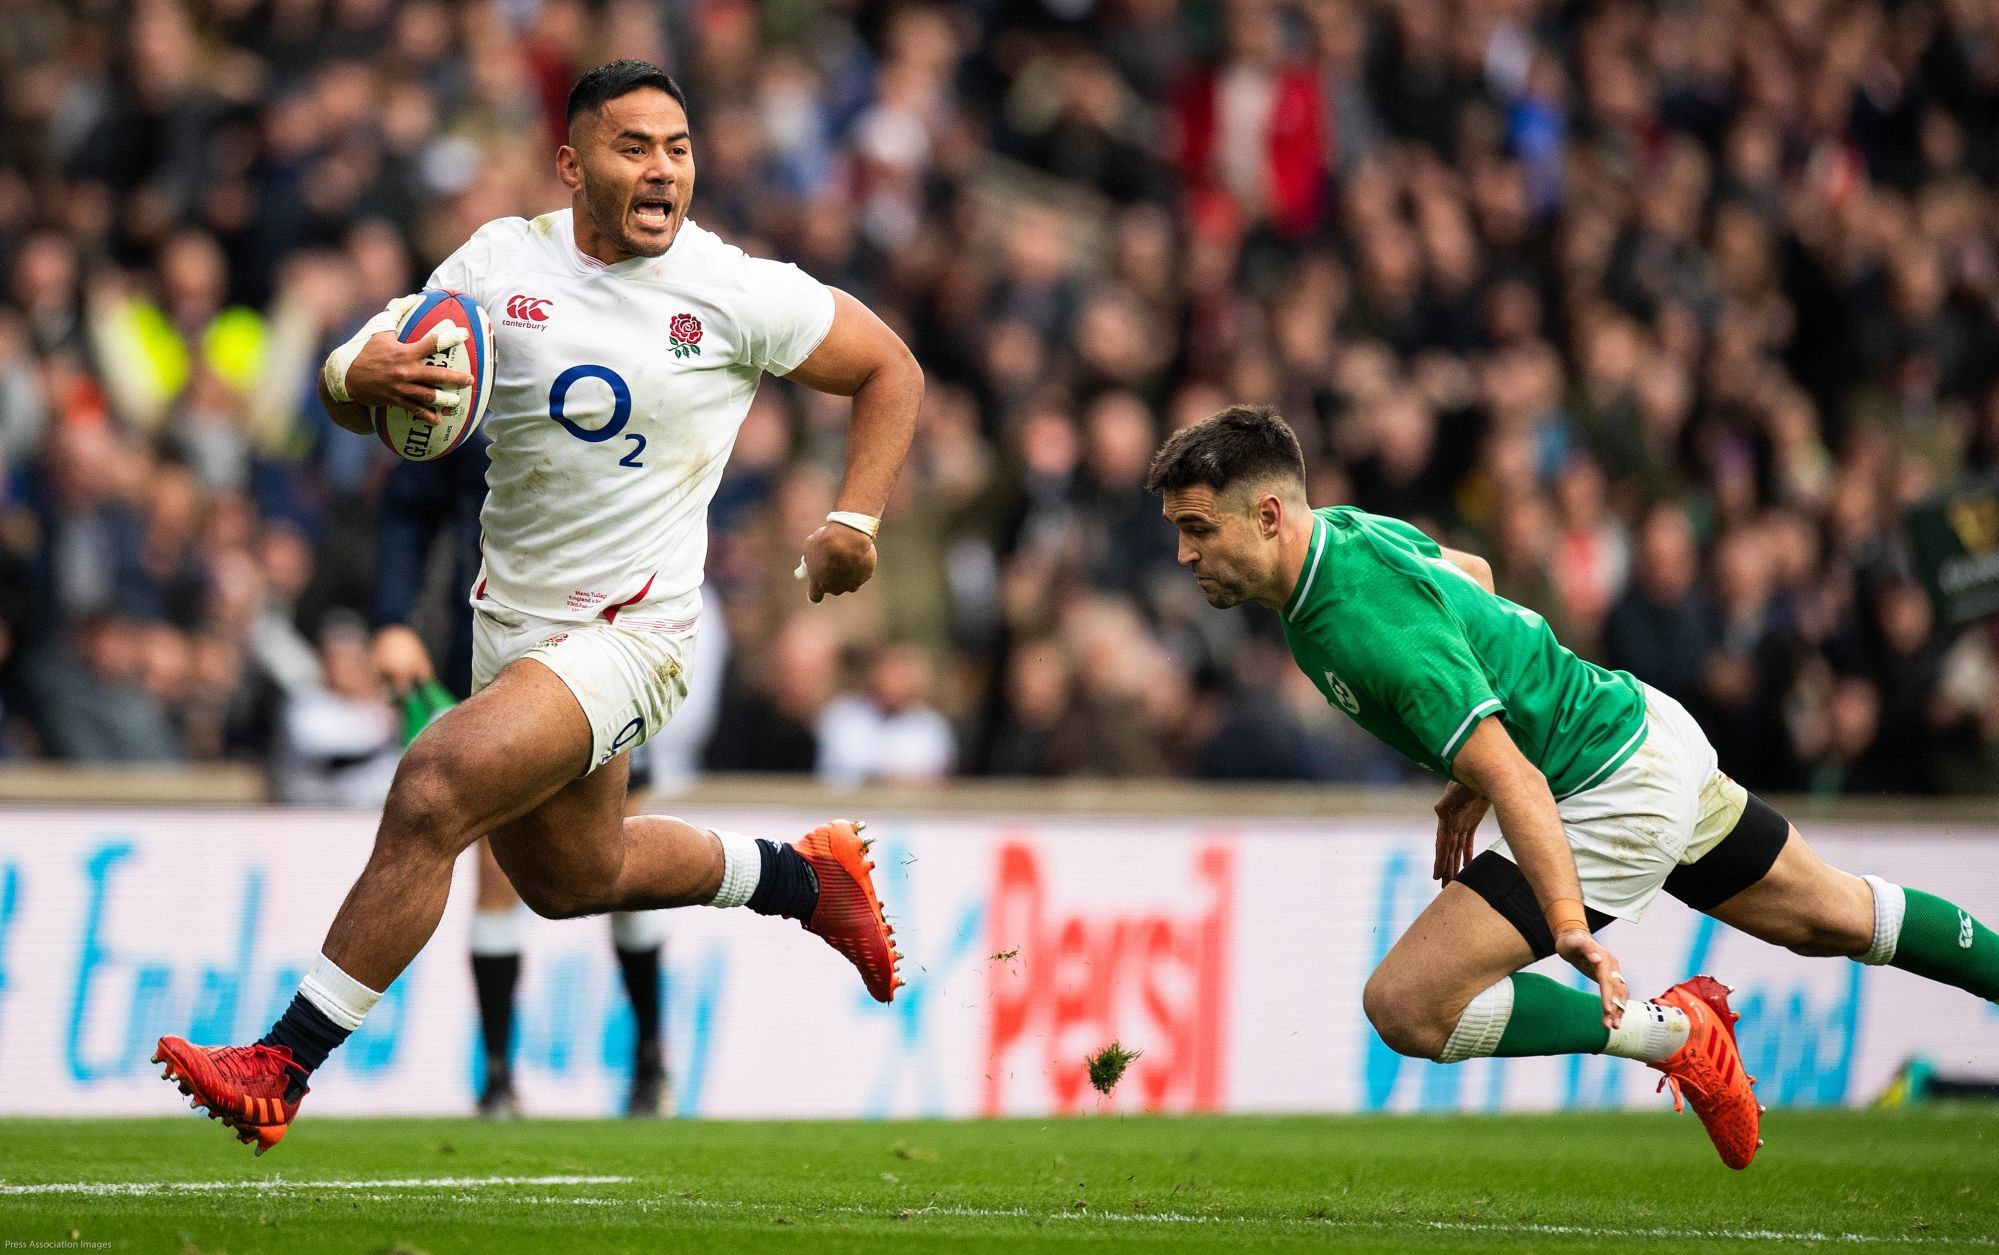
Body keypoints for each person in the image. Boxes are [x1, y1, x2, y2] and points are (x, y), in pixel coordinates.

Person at [153, 60, 921, 1154]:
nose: (663, 170)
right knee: (569, 879)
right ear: (571, 164)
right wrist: (355, 379)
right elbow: (364, 360)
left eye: (679, 149)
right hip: (510, 631)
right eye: (633, 147)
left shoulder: (730, 288)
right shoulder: (499, 263)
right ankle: (803, 878)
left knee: (433, 784)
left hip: (633, 636)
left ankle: (281, 1062)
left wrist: (855, 519)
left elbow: (891, 367)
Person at [1144, 404, 1999, 1170]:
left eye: (1196, 529)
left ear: (1267, 514)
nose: (1184, 554)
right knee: (1835, 916)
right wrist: (1472, 754)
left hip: (1607, 789)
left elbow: (1516, 776)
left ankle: (1674, 1033)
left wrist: (1566, 926)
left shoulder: (1360, 621)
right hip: (1638, 725)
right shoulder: (1342, 532)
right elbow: (1474, 576)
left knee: (1406, 1005)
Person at [369, 435, 673, 1119]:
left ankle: (652, 1057)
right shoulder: (475, 388)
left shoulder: (628, 384)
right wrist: (392, 620)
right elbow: (408, 506)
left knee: (623, 853)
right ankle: (499, 1076)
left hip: (610, 649)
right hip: (491, 655)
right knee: (494, 866)